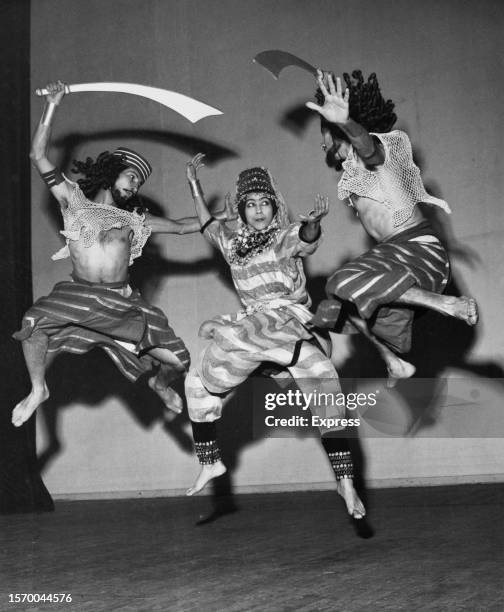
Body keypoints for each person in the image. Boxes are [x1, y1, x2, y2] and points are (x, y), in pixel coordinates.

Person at [11, 81, 228, 428]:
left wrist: (218, 214)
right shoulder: (74, 201)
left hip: (122, 305)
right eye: (131, 177)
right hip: (79, 296)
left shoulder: (134, 221)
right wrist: (53, 105)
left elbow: (185, 226)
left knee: (178, 360)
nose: (134, 186)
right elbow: (38, 155)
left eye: (139, 184)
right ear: (113, 174)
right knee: (32, 324)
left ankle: (158, 383)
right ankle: (39, 389)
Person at [184, 153, 366, 520]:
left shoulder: (282, 237)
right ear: (241, 211)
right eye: (250, 205)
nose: (258, 210)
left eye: (265, 203)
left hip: (287, 322)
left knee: (326, 386)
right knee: (198, 379)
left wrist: (312, 225)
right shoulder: (232, 244)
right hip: (253, 329)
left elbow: (304, 237)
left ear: (274, 205)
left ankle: (345, 481)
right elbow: (207, 225)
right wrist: (194, 186)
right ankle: (210, 461)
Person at [305, 70, 478, 386]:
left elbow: (368, 147)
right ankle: (394, 361)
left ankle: (444, 304)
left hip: (418, 250)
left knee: (339, 282)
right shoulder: (354, 172)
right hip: (404, 261)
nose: (322, 144)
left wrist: (344, 121)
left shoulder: (381, 153)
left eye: (323, 133)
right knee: (335, 307)